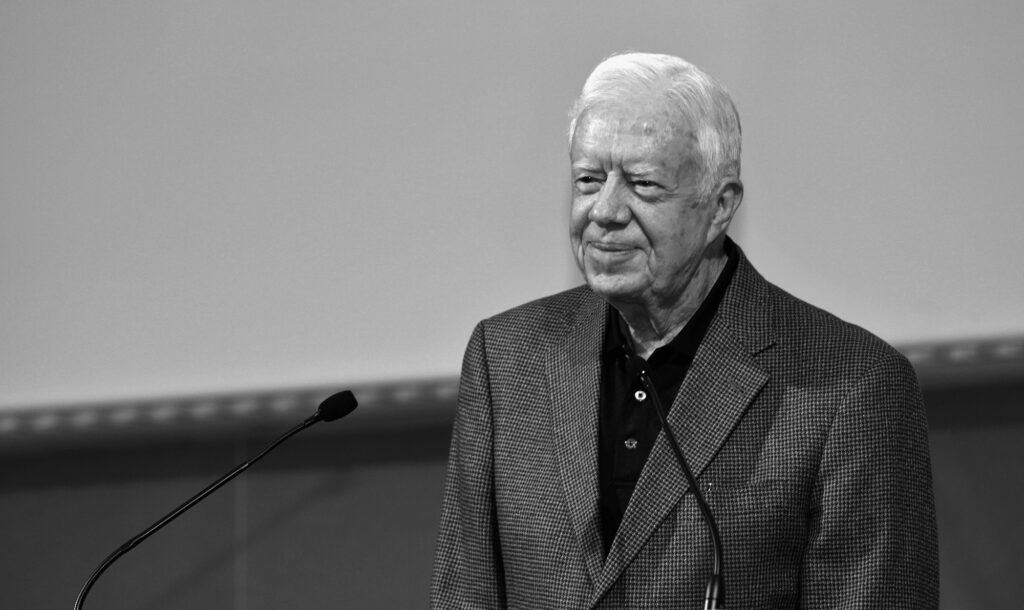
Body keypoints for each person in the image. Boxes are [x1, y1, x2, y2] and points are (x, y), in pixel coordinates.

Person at [431, 52, 938, 609]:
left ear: (719, 207)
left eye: (643, 185)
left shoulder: (852, 386)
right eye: (588, 180)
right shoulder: (505, 359)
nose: (605, 211)